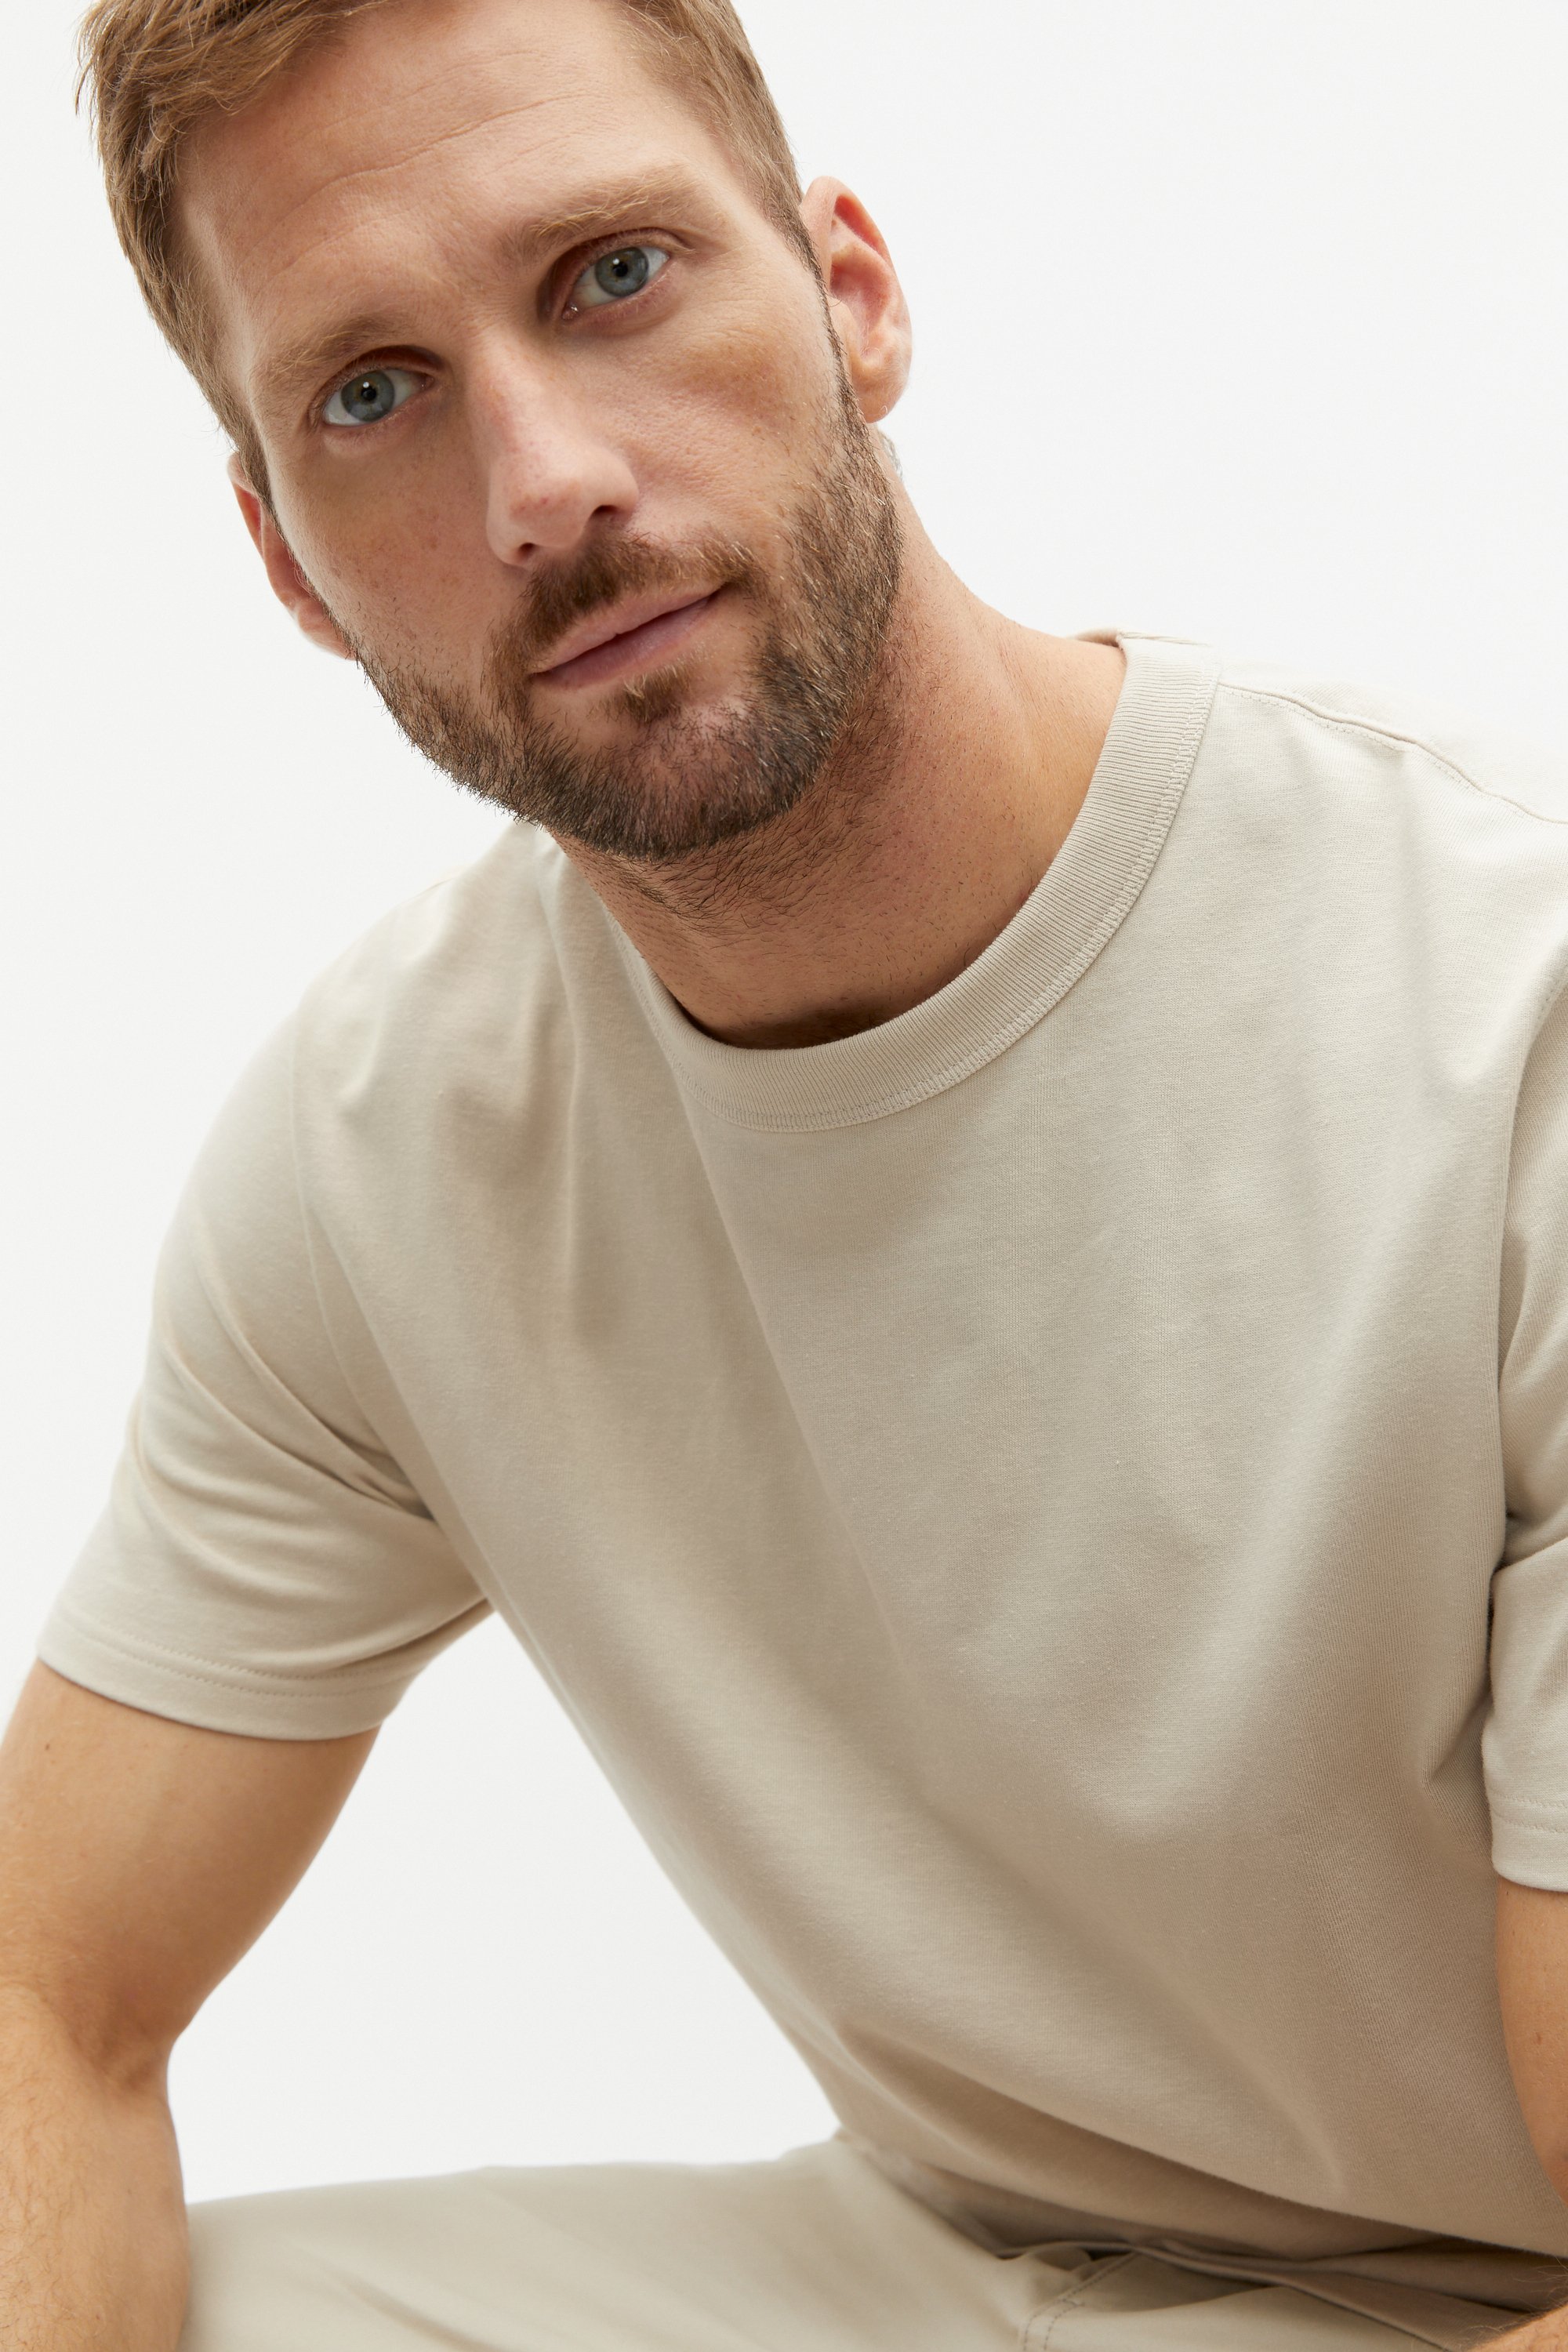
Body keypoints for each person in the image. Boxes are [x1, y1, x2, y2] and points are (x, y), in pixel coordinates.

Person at [6, 0, 1568, 2343]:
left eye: (612, 276)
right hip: (958, 2268)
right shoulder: (384, 1158)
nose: (544, 484)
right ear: (290, 566)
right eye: (373, 393)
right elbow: (48, 2001)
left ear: (852, 293)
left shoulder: (1503, 1012)